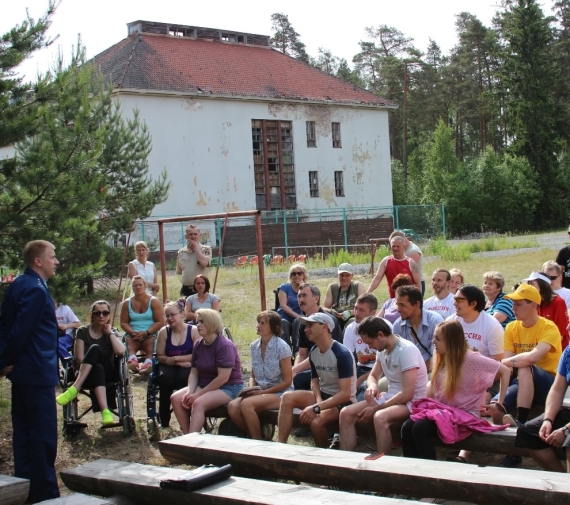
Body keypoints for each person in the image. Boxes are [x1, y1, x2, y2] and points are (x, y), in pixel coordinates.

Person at [0, 240, 60, 503]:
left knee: (24, 437)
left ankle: (22, 491)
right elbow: (19, 331)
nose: (56, 261)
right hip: (36, 372)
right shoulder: (35, 289)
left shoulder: (17, 285)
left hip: (22, 374)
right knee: (42, 437)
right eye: (52, 256)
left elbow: (5, 330)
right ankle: (44, 494)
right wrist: (4, 360)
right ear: (38, 261)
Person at [401, 321, 511, 461]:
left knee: (419, 429)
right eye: (434, 337)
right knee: (406, 427)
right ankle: (411, 470)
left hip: (464, 415)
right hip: (444, 411)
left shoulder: (471, 358)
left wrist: (499, 403)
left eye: (438, 339)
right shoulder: (441, 356)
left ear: (451, 341)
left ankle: (429, 474)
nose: (433, 341)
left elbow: (505, 371)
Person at [489, 283, 562, 467]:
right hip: (522, 382)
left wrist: (508, 362)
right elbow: (507, 363)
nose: (513, 308)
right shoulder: (512, 327)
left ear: (534, 305)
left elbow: (533, 357)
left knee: (526, 366)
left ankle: (521, 421)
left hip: (549, 385)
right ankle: (513, 454)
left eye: (519, 304)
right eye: (513, 303)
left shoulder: (549, 327)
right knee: (496, 409)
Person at [339, 316, 427, 455]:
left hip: (413, 402)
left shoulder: (406, 351)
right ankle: (346, 460)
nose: (369, 347)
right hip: (392, 398)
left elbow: (407, 394)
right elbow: (373, 376)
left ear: (380, 334)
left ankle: (382, 466)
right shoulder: (382, 350)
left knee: (380, 417)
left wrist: (376, 408)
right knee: (346, 413)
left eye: (370, 342)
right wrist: (373, 386)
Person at [277, 312, 356, 447]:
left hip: (343, 402)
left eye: (310, 325)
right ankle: (280, 446)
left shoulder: (341, 354)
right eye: (306, 326)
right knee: (287, 397)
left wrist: (317, 407)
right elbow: (314, 381)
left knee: (316, 422)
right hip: (323, 397)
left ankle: (323, 455)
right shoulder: (314, 350)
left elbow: (345, 394)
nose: (306, 329)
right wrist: (318, 401)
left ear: (324, 327)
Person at [447, 284, 505, 463]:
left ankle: (464, 454)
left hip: (485, 380)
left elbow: (497, 364)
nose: (454, 303)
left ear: (473, 303)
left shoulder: (491, 326)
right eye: (454, 299)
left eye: (459, 300)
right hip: (456, 377)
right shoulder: (452, 322)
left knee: (476, 405)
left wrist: (476, 386)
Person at [171, 309, 243, 434]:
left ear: (212, 323)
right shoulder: (198, 344)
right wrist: (189, 392)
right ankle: (188, 436)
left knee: (198, 403)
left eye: (202, 322)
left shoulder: (225, 346)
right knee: (176, 398)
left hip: (229, 387)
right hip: (205, 384)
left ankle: (192, 441)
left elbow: (223, 378)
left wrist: (198, 394)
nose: (197, 325)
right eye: (197, 322)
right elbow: (194, 372)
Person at [56, 300, 125, 427]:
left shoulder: (112, 332)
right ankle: (105, 412)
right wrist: (92, 364)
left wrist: (109, 333)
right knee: (97, 367)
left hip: (108, 374)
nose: (101, 316)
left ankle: (75, 388)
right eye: (97, 313)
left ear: (109, 315)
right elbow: (80, 359)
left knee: (95, 349)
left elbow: (121, 351)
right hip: (87, 375)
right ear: (92, 315)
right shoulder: (82, 331)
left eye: (105, 313)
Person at [228, 311, 293, 439]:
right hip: (260, 392)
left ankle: (257, 443)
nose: (258, 325)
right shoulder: (254, 346)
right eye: (258, 322)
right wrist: (251, 389)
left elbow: (287, 381)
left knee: (247, 405)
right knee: (232, 406)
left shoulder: (282, 347)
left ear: (275, 327)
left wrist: (264, 392)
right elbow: (253, 375)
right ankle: (259, 436)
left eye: (263, 323)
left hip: (280, 393)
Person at [514, 343, 570, 473]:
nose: (567, 327)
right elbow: (557, 390)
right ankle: (561, 481)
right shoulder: (568, 352)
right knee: (527, 433)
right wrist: (548, 420)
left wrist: (566, 430)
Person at [156, 300, 199, 428]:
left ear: (182, 314)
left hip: (189, 366)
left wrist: (175, 359)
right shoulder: (164, 332)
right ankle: (164, 419)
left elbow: (198, 355)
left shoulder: (194, 331)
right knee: (165, 379)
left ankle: (186, 419)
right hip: (169, 366)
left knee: (184, 378)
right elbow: (160, 356)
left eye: (172, 315)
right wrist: (177, 361)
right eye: (167, 316)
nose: (170, 318)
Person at [292, 283, 342, 392]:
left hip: (328, 367)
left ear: (316, 299)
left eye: (304, 295)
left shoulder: (327, 321)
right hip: (310, 366)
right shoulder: (303, 323)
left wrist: (295, 370)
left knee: (298, 380)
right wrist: (294, 371)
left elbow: (327, 354)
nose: (301, 299)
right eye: (299, 296)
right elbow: (301, 354)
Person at [392, 285, 443, 372]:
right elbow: (395, 354)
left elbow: (440, 356)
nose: (398, 309)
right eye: (397, 304)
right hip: (405, 373)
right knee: (380, 385)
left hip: (432, 371)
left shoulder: (435, 321)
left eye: (402, 305)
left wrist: (416, 373)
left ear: (416, 304)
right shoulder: (398, 325)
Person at [120, 276, 164, 374]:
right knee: (129, 343)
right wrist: (132, 332)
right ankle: (132, 360)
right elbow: (123, 322)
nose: (138, 287)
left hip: (150, 332)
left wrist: (147, 332)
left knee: (150, 346)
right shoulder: (127, 303)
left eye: (140, 285)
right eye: (135, 285)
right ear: (132, 288)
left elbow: (160, 321)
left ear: (145, 286)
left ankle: (148, 362)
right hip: (133, 333)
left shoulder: (153, 301)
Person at [342, 294, 380, 399]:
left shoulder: (383, 328)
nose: (356, 313)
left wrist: (359, 380)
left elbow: (387, 365)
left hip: (380, 370)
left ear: (373, 313)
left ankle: (355, 410)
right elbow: (347, 358)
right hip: (360, 367)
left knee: (363, 387)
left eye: (362, 310)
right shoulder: (351, 328)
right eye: (355, 308)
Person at [523, 271, 569, 349]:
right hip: (537, 346)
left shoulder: (558, 302)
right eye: (529, 283)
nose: (529, 287)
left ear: (542, 284)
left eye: (532, 283)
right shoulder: (534, 302)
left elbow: (561, 334)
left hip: (556, 350)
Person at [323, 263, 366, 330]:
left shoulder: (358, 286)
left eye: (347, 275)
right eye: (341, 275)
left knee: (351, 324)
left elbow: (363, 309)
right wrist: (331, 311)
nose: (344, 278)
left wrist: (350, 313)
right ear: (338, 275)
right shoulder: (332, 287)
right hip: (336, 317)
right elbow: (325, 308)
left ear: (352, 275)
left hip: (353, 317)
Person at [276, 263, 308, 350]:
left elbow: (309, 304)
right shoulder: (284, 288)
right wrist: (298, 316)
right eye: (293, 274)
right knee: (283, 323)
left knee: (298, 321)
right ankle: (285, 351)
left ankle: (297, 351)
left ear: (304, 275)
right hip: (285, 316)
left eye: (299, 273)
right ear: (290, 276)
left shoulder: (308, 288)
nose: (296, 276)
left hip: (299, 317)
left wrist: (302, 288)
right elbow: (283, 306)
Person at [177, 224, 212, 297]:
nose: (193, 236)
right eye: (190, 234)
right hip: (186, 289)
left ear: (199, 236)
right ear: (186, 236)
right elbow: (180, 271)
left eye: (195, 234)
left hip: (200, 288)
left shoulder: (205, 249)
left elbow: (204, 263)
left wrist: (196, 248)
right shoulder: (181, 252)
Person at [390, 230, 425, 294]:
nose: (395, 247)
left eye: (397, 244)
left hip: (415, 284)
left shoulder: (413, 251)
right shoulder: (405, 248)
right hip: (406, 283)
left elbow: (405, 269)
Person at [54, 298, 81, 363]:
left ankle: (70, 364)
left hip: (66, 335)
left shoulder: (65, 308)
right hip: (51, 335)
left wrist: (65, 326)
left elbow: (78, 323)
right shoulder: (44, 308)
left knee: (56, 343)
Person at [555, 225, 570, 290]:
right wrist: (560, 289)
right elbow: (558, 272)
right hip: (567, 288)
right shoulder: (563, 251)